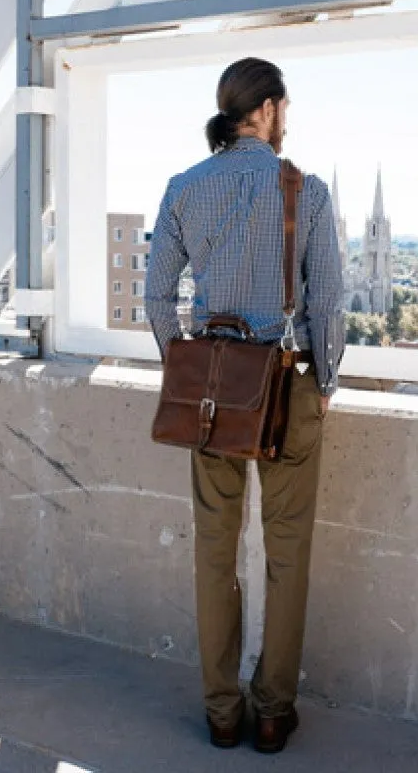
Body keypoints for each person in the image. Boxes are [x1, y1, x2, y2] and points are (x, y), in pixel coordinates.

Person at [145, 57, 345, 754]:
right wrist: (325, 381)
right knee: (287, 553)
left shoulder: (182, 188)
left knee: (213, 550)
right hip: (287, 383)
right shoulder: (305, 190)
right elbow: (328, 303)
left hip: (211, 394)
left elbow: (156, 299)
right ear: (264, 108)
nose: (287, 119)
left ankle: (221, 712)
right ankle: (271, 712)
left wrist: (188, 362)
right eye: (284, 107)